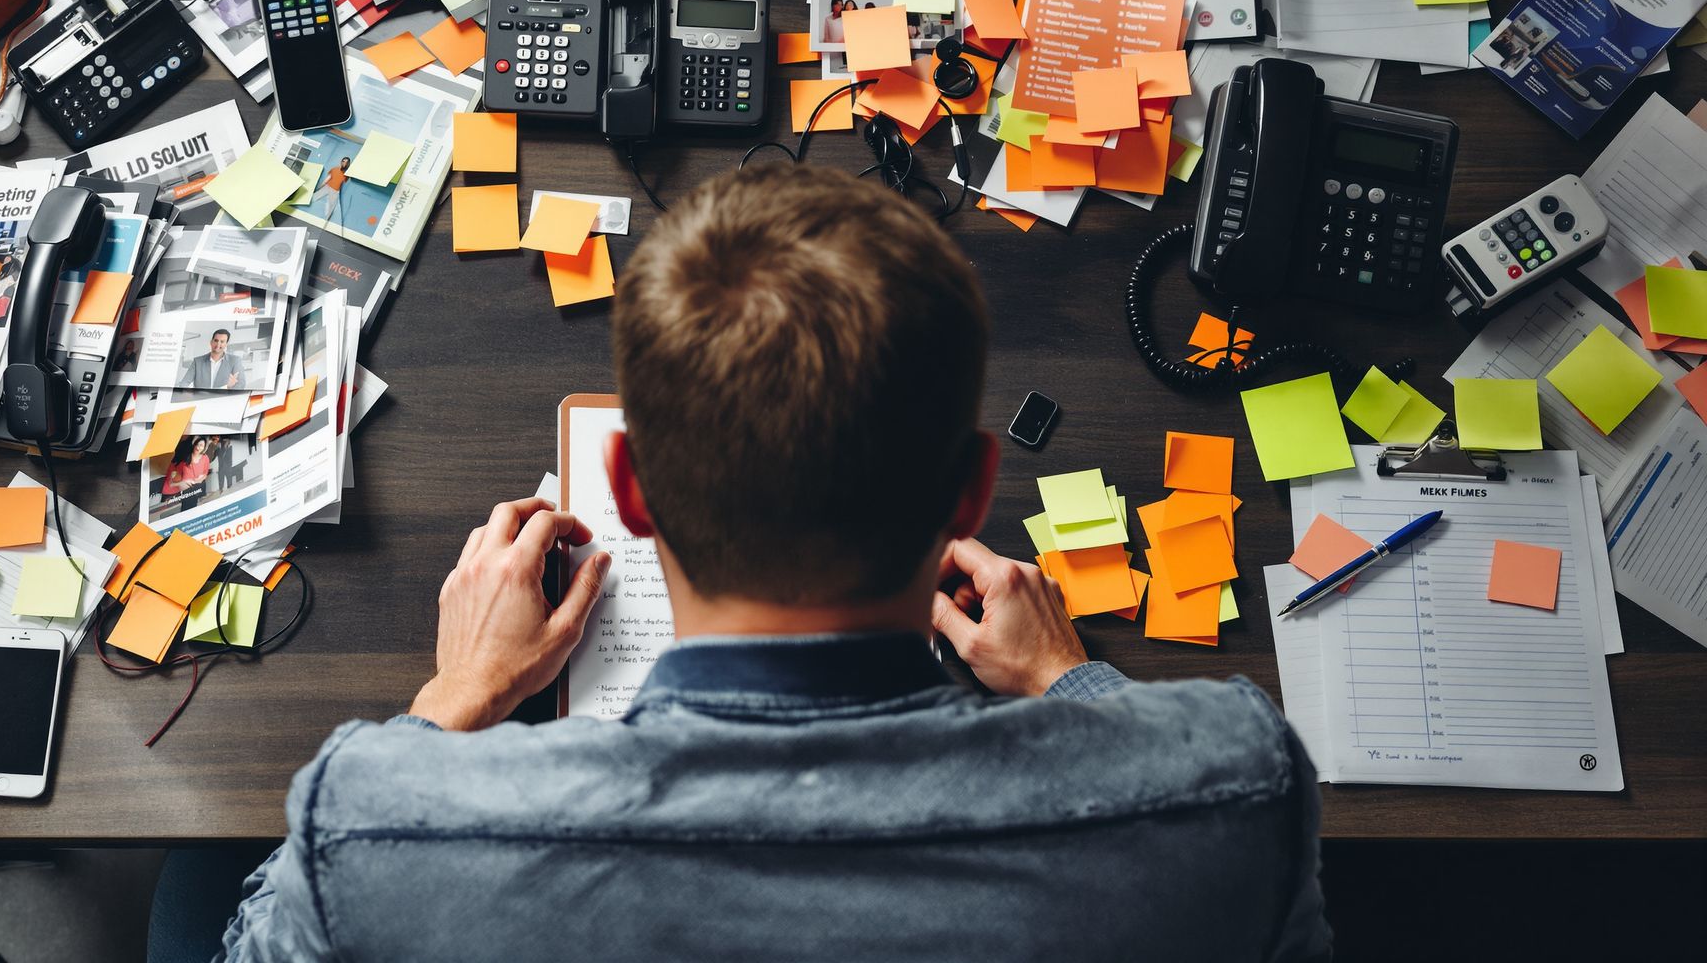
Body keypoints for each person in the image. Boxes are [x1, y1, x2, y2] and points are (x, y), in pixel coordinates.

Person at [171, 164, 1329, 961]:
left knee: (178, 872)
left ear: (626, 492)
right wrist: (1074, 687)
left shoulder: (373, 820)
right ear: (973, 492)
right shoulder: (1238, 785)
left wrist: (457, 695)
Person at [178, 328, 248, 390]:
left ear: (226, 344)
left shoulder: (235, 361)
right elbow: (184, 383)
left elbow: (241, 384)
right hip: (200, 400)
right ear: (211, 342)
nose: (218, 344)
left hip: (223, 401)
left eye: (222, 342)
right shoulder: (198, 361)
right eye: (216, 340)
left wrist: (229, 389)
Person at [315, 156, 351, 223]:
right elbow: (327, 179)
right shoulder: (334, 169)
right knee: (314, 197)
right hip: (327, 187)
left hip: (335, 191)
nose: (344, 163)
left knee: (331, 207)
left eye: (346, 162)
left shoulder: (346, 175)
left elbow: (344, 184)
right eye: (343, 161)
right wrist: (319, 188)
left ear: (348, 164)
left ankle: (325, 221)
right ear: (341, 162)